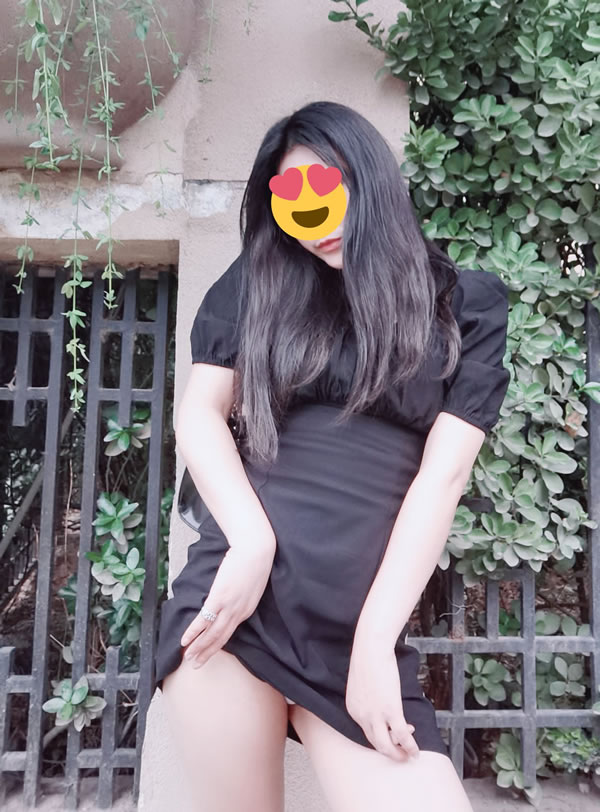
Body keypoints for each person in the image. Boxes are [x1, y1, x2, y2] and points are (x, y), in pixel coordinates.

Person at [153, 100, 510, 812]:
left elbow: (443, 478)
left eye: (329, 188)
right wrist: (251, 542)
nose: (315, 220)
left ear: (372, 180)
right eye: (291, 199)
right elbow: (199, 412)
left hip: (355, 626)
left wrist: (374, 643)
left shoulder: (463, 304)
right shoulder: (262, 281)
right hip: (239, 606)